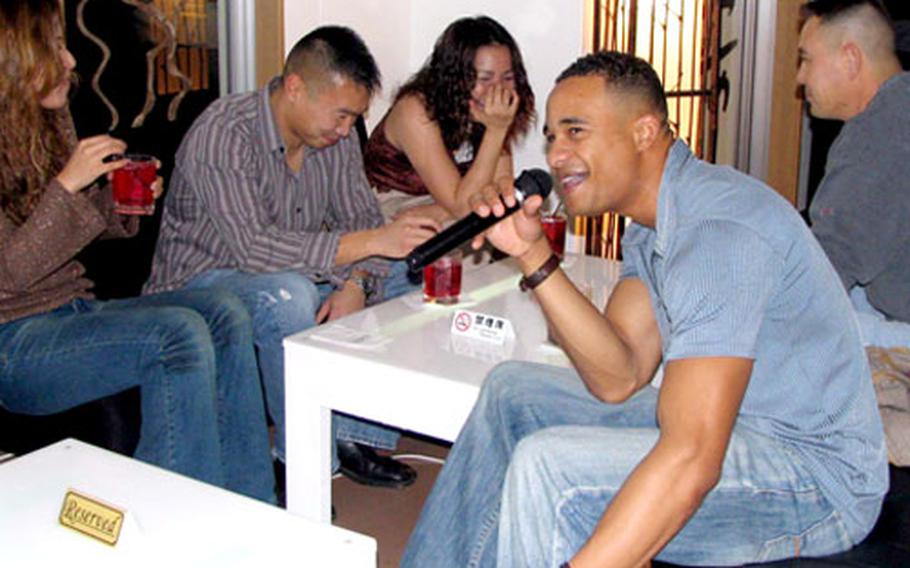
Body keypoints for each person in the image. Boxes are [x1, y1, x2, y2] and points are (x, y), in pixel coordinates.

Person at [402, 51, 888, 567]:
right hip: (735, 428)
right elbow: (619, 374)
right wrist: (531, 254)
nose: (556, 155)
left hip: (813, 478)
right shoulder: (651, 224)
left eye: (575, 131)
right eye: (551, 136)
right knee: (510, 392)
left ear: (643, 132)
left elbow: (693, 459)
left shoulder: (718, 232)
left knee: (548, 468)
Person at [0, 0, 274, 502]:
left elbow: (69, 233)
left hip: (72, 312)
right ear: (16, 57)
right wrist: (67, 185)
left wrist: (122, 206)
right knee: (176, 335)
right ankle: (182, 525)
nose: (70, 61)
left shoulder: (46, 123)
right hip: (13, 343)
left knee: (225, 312)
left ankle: (252, 504)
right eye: (54, 47)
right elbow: (12, 273)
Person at [144, 26, 439, 488]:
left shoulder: (334, 141)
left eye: (354, 119)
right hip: (198, 285)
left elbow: (362, 218)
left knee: (410, 269)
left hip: (288, 269)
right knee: (288, 296)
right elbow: (255, 248)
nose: (347, 131)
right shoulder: (225, 131)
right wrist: (371, 245)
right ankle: (299, 461)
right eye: (341, 116)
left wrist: (356, 283)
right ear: (296, 88)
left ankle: (350, 436)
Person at [796, 0, 910, 348]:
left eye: (806, 59)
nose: (799, 78)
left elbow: (826, 267)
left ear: (851, 58)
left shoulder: (879, 131)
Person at [363, 15, 535, 227]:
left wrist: (442, 211)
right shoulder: (414, 110)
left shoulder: (492, 113)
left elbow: (502, 189)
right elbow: (462, 206)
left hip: (454, 206)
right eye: (484, 79)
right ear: (455, 77)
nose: (497, 90)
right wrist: (496, 131)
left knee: (508, 223)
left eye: (508, 78)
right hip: (393, 206)